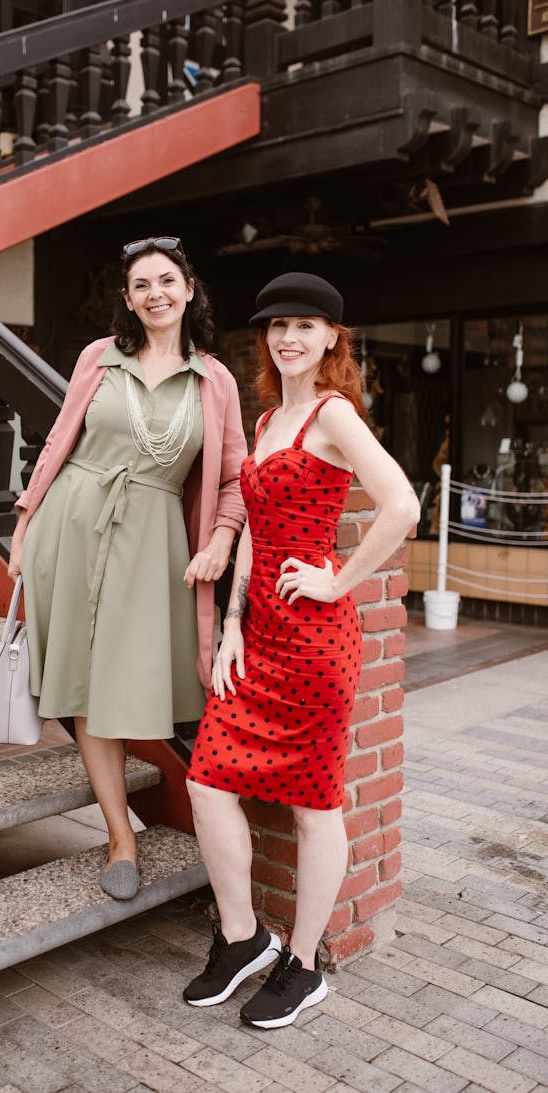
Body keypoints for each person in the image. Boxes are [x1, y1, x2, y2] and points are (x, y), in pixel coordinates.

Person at [183, 272, 420, 1028]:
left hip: (317, 644)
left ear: (331, 339)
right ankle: (243, 937)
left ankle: (305, 965)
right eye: (277, 326)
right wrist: (229, 628)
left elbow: (402, 503)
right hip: (258, 639)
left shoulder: (333, 413)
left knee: (315, 807)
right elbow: (252, 530)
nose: (289, 337)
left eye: (305, 326)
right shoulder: (266, 421)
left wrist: (337, 580)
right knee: (207, 779)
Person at [8, 236, 247, 901]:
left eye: (166, 280)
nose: (155, 294)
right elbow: (60, 440)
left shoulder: (215, 380)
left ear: (189, 288)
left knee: (125, 681)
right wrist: (27, 523)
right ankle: (120, 834)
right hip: (73, 524)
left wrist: (223, 540)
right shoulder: (99, 358)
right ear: (128, 299)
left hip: (154, 540)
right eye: (141, 285)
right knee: (87, 688)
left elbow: (232, 478)